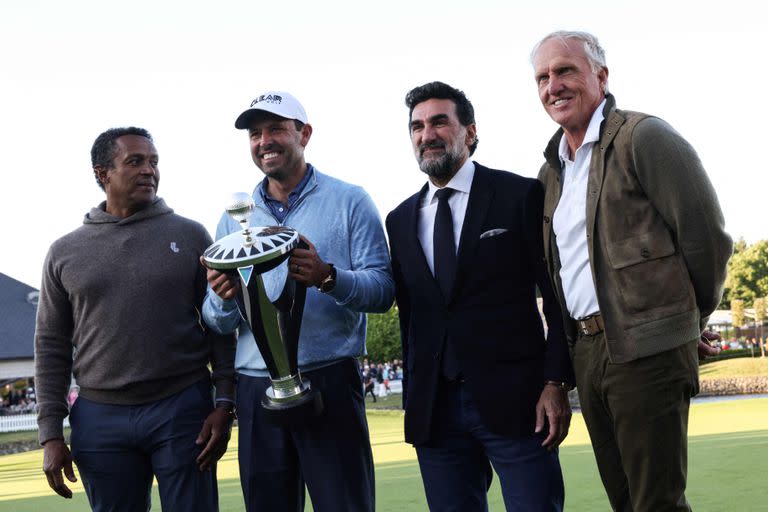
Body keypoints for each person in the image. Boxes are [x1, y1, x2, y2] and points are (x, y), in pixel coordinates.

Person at [531, 31, 733, 511]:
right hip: (587, 353)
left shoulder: (644, 137)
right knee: (625, 501)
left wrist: (687, 323)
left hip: (647, 350)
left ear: (600, 76)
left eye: (565, 71)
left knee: (655, 503)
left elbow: (706, 239)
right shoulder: (549, 173)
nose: (553, 85)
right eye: (542, 77)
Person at [201, 91, 394, 512]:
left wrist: (329, 277)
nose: (264, 141)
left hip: (330, 379)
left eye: (276, 129)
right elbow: (215, 321)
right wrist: (223, 297)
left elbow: (383, 290)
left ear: (304, 134)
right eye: (255, 133)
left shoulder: (350, 200)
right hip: (257, 388)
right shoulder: (234, 217)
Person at [386, 81, 574, 511]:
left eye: (439, 121)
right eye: (416, 126)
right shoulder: (398, 220)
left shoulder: (519, 195)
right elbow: (412, 320)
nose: (426, 134)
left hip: (520, 405)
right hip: (435, 415)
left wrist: (555, 382)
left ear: (469, 131)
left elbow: (556, 294)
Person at [34, 127, 236, 511]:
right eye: (135, 161)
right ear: (102, 174)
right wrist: (50, 435)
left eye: (154, 162)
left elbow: (220, 323)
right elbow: (50, 345)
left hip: (183, 409)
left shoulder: (191, 235)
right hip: (100, 418)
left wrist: (225, 401)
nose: (149, 170)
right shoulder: (64, 252)